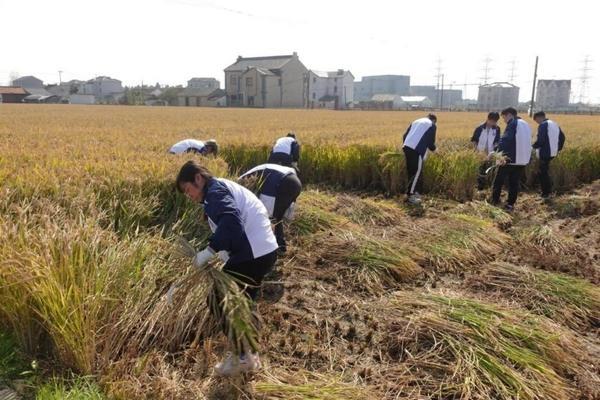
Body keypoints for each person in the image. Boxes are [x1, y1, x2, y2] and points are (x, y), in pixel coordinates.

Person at [175, 160, 278, 376]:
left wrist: (209, 251)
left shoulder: (215, 191)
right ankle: (249, 355)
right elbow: (230, 228)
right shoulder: (218, 190)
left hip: (253, 251)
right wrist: (217, 254)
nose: (189, 195)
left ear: (198, 178)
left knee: (218, 300)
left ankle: (243, 357)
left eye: (188, 189)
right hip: (262, 250)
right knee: (243, 302)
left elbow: (231, 221)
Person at [239, 163, 302, 254]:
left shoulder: (242, 181)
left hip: (282, 183)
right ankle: (280, 247)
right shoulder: (254, 172)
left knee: (270, 218)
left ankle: (271, 248)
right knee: (277, 217)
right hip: (295, 182)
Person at [491, 107, 532, 211]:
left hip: (510, 159)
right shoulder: (525, 124)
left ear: (509, 114)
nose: (504, 120)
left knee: (498, 180)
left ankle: (494, 201)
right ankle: (510, 205)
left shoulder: (513, 123)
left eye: (504, 117)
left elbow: (506, 140)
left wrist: (495, 151)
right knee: (514, 183)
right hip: (523, 160)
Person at [402, 114, 437, 205]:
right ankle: (411, 196)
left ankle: (411, 193)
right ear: (433, 120)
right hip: (416, 150)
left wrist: (407, 146)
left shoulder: (416, 121)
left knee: (411, 172)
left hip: (406, 147)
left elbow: (405, 135)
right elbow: (430, 142)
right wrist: (436, 151)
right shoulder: (431, 124)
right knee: (417, 172)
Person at [532, 111, 566, 199]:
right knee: (544, 171)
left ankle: (545, 194)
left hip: (545, 152)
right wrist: (558, 148)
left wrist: (533, 146)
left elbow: (541, 140)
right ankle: (547, 191)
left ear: (539, 117)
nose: (537, 122)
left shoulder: (543, 125)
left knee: (543, 173)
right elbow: (562, 137)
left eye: (536, 120)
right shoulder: (554, 124)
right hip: (553, 153)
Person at [471, 112, 501, 191]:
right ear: (487, 119)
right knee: (480, 170)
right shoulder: (480, 128)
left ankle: (488, 186)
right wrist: (476, 151)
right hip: (480, 153)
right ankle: (480, 187)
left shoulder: (497, 129)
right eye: (491, 121)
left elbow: (497, 142)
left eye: (495, 122)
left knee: (490, 170)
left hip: (491, 153)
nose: (493, 123)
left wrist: (494, 152)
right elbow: (474, 140)